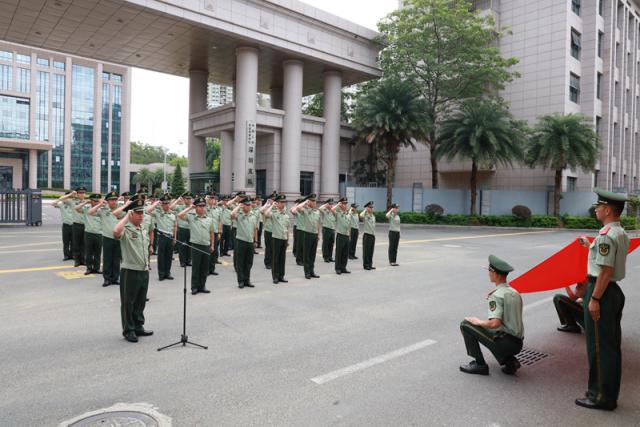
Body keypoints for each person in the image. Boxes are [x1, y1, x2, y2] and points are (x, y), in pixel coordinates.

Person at [574, 189, 629, 411]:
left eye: (599, 206)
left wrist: (594, 298)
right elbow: (606, 260)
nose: (596, 209)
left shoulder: (606, 235)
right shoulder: (618, 232)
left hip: (602, 291)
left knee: (598, 347)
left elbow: (605, 270)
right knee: (610, 346)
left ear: (607, 210)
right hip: (612, 291)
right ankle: (607, 394)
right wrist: (590, 246)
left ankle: (601, 397)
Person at [459, 255, 524, 376]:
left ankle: (480, 365)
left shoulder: (497, 295)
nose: (488, 273)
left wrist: (477, 322)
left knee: (466, 324)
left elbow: (495, 324)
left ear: (496, 274)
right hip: (518, 343)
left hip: (506, 344)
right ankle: (510, 361)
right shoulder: (515, 292)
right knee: (495, 334)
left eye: (490, 271)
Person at [113, 195, 153, 343]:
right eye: (138, 213)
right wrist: (126, 218)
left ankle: (138, 326)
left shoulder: (142, 228)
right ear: (131, 214)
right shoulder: (126, 228)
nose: (142, 216)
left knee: (140, 301)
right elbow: (116, 232)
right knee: (128, 302)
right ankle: (128, 330)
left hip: (143, 270)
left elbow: (145, 248)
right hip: (130, 270)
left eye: (143, 213)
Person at [178, 196, 215, 295]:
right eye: (199, 206)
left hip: (206, 245)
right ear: (196, 207)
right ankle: (194, 287)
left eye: (203, 206)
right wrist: (190, 207)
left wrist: (212, 245)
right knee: (196, 267)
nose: (202, 208)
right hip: (196, 246)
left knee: (204, 268)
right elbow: (180, 215)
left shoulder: (209, 219)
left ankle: (202, 286)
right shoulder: (191, 217)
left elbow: (212, 233)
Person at [90, 191, 123, 286]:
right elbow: (90, 212)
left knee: (117, 259)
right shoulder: (103, 210)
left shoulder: (121, 210)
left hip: (119, 238)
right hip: (107, 238)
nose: (114, 202)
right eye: (111, 200)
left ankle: (115, 278)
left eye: (115, 200)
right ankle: (107, 278)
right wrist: (100, 204)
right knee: (107, 259)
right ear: (107, 201)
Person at [147, 194, 177, 281]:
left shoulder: (173, 214)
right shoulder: (158, 212)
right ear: (162, 204)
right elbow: (148, 211)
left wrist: (175, 237)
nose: (167, 205)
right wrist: (156, 203)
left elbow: (175, 226)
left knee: (169, 255)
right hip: (162, 236)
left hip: (170, 236)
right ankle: (161, 274)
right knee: (161, 256)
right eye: (165, 204)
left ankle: (168, 273)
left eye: (168, 203)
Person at [231, 197, 258, 288]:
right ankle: (241, 280)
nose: (249, 206)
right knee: (240, 262)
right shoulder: (239, 215)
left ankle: (247, 280)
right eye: (247, 205)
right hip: (241, 241)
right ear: (243, 206)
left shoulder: (253, 216)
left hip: (250, 242)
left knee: (249, 262)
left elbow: (255, 229)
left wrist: (255, 241)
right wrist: (239, 206)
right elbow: (232, 214)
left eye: (249, 205)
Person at [292, 194, 321, 280]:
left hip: (314, 234)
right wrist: (305, 202)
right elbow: (296, 208)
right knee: (307, 255)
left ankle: (312, 271)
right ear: (309, 202)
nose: (314, 202)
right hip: (307, 234)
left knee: (313, 254)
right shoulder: (304, 210)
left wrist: (318, 234)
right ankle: (307, 272)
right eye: (312, 201)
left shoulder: (317, 212)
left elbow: (318, 224)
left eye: (315, 201)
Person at [262, 195, 290, 284]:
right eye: (281, 202)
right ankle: (275, 276)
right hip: (276, 238)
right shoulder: (274, 214)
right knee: (275, 258)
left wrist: (288, 240)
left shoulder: (286, 216)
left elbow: (287, 229)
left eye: (284, 202)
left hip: (284, 239)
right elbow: (265, 214)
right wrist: (271, 205)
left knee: (282, 258)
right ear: (277, 204)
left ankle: (281, 276)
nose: (283, 204)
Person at [76, 193, 103, 275]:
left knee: (98, 252)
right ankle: (89, 268)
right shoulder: (86, 208)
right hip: (89, 233)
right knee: (89, 252)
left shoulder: (101, 209)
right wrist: (85, 202)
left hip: (99, 233)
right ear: (91, 201)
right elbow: (76, 208)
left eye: (97, 201)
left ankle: (96, 268)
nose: (96, 202)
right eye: (94, 201)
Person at [171, 192, 194, 267]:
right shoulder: (180, 207)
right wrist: (177, 200)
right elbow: (171, 208)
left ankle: (188, 261)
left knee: (190, 246)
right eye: (187, 198)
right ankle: (182, 261)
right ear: (184, 199)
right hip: (182, 228)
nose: (189, 200)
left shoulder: (193, 207)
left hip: (191, 229)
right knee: (182, 246)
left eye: (190, 198)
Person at [52, 191, 76, 261]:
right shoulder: (61, 205)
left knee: (73, 241)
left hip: (74, 225)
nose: (68, 199)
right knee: (66, 242)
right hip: (66, 225)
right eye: (67, 198)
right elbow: (53, 204)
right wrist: (62, 199)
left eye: (70, 198)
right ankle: (66, 255)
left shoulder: (74, 204)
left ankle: (72, 255)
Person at [332, 198, 351, 274]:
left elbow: (349, 225)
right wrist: (338, 205)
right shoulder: (338, 213)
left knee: (345, 253)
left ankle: (343, 267)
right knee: (339, 252)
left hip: (346, 235)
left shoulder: (348, 214)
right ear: (341, 204)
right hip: (340, 235)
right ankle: (338, 268)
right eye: (343, 203)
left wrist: (349, 235)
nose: (345, 205)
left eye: (346, 203)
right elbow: (332, 210)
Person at [71, 186, 87, 267]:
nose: (81, 194)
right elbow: (61, 199)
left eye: (83, 193)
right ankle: (77, 260)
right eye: (80, 193)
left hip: (85, 225)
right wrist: (71, 194)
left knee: (84, 244)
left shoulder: (88, 202)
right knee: (76, 243)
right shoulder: (73, 201)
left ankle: (83, 260)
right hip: (76, 225)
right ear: (77, 194)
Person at [206, 192, 222, 276]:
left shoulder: (218, 209)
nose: (212, 200)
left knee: (214, 251)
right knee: (207, 251)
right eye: (211, 198)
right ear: (208, 199)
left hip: (215, 232)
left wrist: (219, 232)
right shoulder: (204, 208)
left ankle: (212, 269)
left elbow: (220, 221)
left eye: (213, 199)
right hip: (206, 233)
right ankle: (206, 269)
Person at [262, 192, 277, 270]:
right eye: (272, 199)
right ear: (269, 200)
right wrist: (268, 204)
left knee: (274, 248)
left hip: (276, 231)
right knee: (268, 248)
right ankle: (267, 262)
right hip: (268, 230)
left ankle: (273, 262)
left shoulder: (277, 207)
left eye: (275, 199)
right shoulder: (267, 207)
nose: (274, 201)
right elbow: (262, 211)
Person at [360, 201, 376, 270]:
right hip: (367, 235)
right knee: (366, 251)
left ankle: (370, 264)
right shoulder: (365, 215)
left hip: (372, 235)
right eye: (370, 207)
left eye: (372, 207)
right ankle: (366, 265)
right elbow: (361, 216)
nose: (372, 208)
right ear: (367, 208)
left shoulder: (373, 216)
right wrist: (365, 210)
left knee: (371, 251)